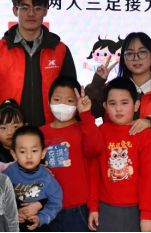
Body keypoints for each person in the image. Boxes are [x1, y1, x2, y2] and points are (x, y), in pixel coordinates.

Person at [0, 0, 77, 127]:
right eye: (25, 8)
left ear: (45, 11)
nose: (31, 13)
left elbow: (71, 96)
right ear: (15, 10)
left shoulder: (60, 50)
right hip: (8, 134)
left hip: (50, 132)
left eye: (37, 8)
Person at [88, 77, 151, 233]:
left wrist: (147, 215)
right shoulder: (101, 132)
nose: (118, 109)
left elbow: (149, 178)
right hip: (105, 207)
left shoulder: (146, 135)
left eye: (124, 103)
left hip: (136, 209)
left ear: (136, 105)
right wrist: (93, 207)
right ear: (105, 107)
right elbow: (94, 172)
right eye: (112, 104)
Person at [40, 77, 104, 232]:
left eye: (69, 101)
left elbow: (96, 148)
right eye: (57, 99)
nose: (62, 105)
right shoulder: (40, 133)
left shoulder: (84, 129)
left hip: (78, 209)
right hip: (47, 208)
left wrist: (86, 115)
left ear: (77, 103)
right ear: (48, 101)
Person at [86, 32, 151, 138]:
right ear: (124, 59)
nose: (136, 58)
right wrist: (97, 83)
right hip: (113, 148)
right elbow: (86, 114)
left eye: (142, 52)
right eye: (130, 53)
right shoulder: (110, 89)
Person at [4, 126, 63, 231]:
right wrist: (12, 214)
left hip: (39, 226)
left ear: (43, 153)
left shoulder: (47, 177)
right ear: (14, 154)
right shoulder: (7, 174)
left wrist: (41, 218)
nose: (29, 156)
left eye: (34, 151)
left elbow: (56, 201)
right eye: (23, 152)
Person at [0, 99, 27, 170]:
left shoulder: (33, 150)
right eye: (3, 128)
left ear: (25, 127)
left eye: (15, 127)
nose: (10, 132)